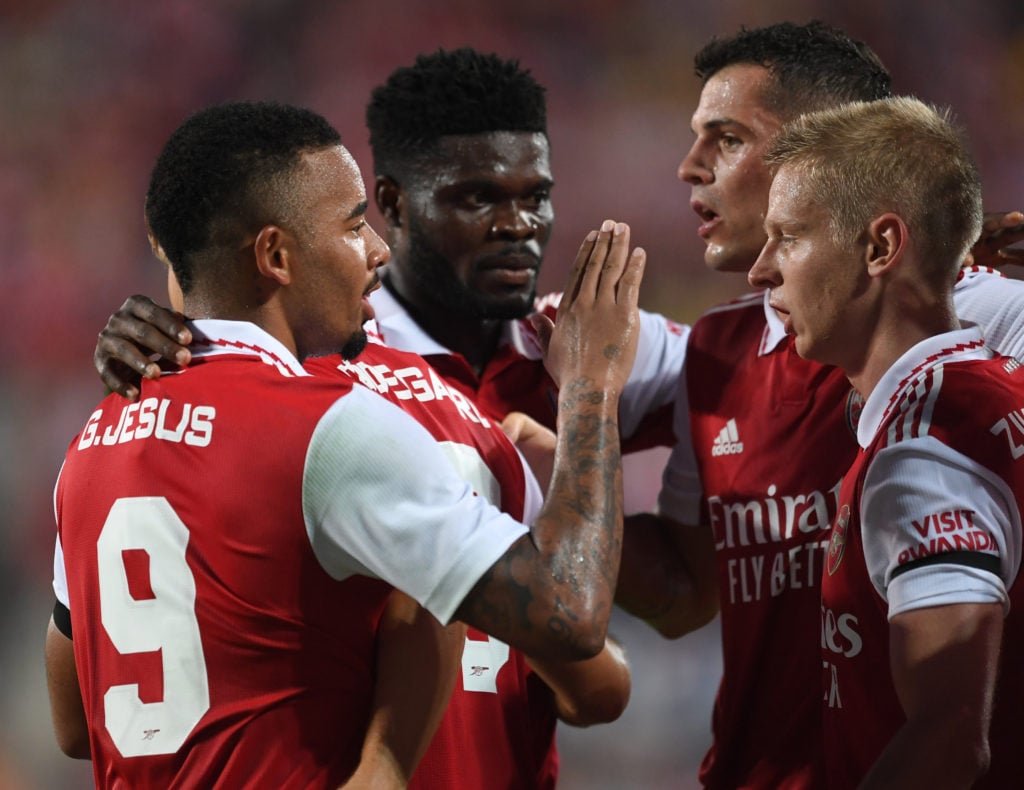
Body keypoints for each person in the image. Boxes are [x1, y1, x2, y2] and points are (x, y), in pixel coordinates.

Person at [91, 48, 655, 790]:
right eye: (357, 224)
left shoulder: (114, 425)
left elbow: (78, 719)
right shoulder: (417, 429)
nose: (517, 228)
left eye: (534, 198)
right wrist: (589, 394)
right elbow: (593, 674)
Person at [617, 21, 1024, 790]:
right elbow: (684, 595)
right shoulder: (714, 351)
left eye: (726, 138)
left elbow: (949, 729)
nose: (689, 167)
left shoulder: (985, 343)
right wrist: (573, 439)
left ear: (823, 152)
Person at [749, 94, 1023, 789]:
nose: (761, 270)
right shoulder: (994, 393)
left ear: (880, 247)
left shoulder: (924, 454)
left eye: (787, 236)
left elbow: (950, 738)